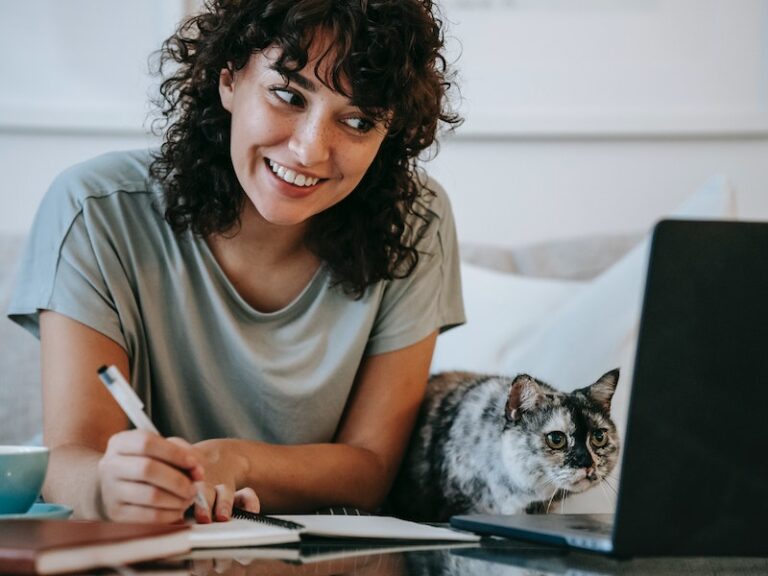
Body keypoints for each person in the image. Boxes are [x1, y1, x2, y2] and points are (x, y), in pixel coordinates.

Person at [8, 0, 463, 524]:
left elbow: (371, 468)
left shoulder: (416, 221)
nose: (310, 150)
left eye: (358, 120)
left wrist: (236, 461)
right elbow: (71, 458)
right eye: (288, 95)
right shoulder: (94, 210)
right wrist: (108, 489)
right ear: (228, 79)